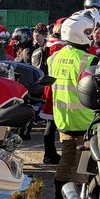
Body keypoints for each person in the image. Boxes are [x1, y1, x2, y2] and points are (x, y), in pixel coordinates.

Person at [48, 10, 100, 199]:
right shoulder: (89, 60)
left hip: (63, 119)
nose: (91, 35)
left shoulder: (54, 58)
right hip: (84, 121)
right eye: (88, 31)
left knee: (66, 160)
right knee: (82, 165)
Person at [31, 18, 66, 164]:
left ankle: (50, 153)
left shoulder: (50, 45)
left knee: (51, 123)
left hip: (50, 86)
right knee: (53, 123)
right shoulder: (58, 47)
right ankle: (50, 154)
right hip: (56, 87)